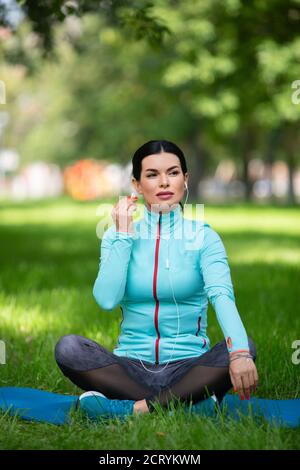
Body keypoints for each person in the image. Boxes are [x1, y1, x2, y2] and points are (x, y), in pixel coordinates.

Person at [54, 139, 259, 418]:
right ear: (137, 185)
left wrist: (239, 355)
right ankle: (187, 405)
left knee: (243, 343)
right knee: (69, 348)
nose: (164, 182)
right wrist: (124, 236)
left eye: (173, 173)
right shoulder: (117, 236)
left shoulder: (204, 237)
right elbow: (106, 299)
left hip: (189, 366)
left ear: (185, 180)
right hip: (131, 367)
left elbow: (222, 296)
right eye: (152, 174)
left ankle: (134, 408)